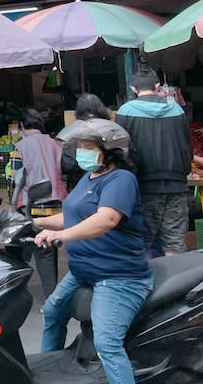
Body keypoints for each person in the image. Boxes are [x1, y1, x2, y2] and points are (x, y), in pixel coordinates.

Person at [35, 117, 152, 384]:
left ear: (109, 152)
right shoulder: (89, 177)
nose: (81, 153)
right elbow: (73, 216)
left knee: (107, 342)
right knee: (53, 312)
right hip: (85, 270)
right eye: (80, 147)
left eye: (88, 147)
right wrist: (37, 222)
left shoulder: (121, 179)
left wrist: (61, 235)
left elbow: (106, 219)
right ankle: (49, 372)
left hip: (119, 276)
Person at [115, 68, 191, 256]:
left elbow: (120, 151)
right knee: (174, 243)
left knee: (143, 243)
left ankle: (147, 285)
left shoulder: (125, 112)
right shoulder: (176, 109)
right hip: (176, 186)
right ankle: (177, 284)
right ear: (157, 86)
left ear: (133, 88)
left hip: (142, 188)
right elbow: (186, 147)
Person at [7, 108, 68, 300]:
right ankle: (51, 300)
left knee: (16, 249)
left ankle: (11, 294)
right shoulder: (58, 145)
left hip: (29, 208)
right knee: (46, 253)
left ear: (23, 126)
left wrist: (13, 201)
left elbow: (13, 180)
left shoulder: (20, 147)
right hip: (56, 209)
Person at [61, 93, 112, 190]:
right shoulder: (111, 129)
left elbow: (67, 164)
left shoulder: (75, 131)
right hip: (108, 183)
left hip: (80, 186)